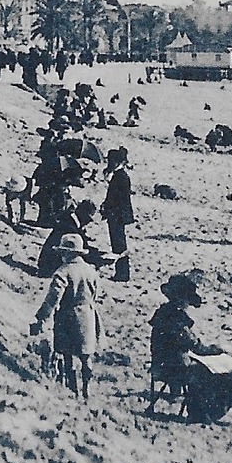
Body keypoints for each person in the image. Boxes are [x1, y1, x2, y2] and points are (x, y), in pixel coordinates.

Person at [148, 273, 232, 423]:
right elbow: (195, 346)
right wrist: (216, 350)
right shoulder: (177, 318)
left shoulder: (163, 312)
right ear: (182, 299)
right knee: (227, 372)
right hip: (176, 368)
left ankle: (229, 412)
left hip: (160, 363)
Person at [31, 232, 104, 400]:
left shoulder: (63, 272)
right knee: (86, 355)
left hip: (68, 317)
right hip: (88, 315)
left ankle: (73, 390)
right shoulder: (91, 271)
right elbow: (95, 294)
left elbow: (52, 300)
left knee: (68, 355)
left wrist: (41, 317)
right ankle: (87, 389)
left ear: (67, 253)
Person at [101, 147, 135, 282]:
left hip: (117, 214)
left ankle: (122, 273)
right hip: (119, 214)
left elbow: (118, 198)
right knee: (118, 243)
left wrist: (107, 207)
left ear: (116, 161)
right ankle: (122, 272)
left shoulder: (120, 177)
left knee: (118, 244)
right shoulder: (121, 176)